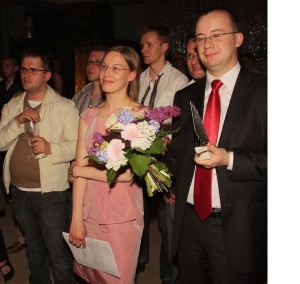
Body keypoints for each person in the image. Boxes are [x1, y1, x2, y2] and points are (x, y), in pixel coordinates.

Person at [165, 8, 267, 283]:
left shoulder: (265, 91)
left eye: (216, 35)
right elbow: (176, 156)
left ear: (238, 39)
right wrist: (144, 159)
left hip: (238, 225)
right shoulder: (185, 95)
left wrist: (229, 159)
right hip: (189, 223)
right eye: (200, 38)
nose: (207, 44)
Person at [0, 47, 79, 283]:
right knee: (34, 250)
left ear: (47, 75)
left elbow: (77, 146)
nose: (26, 74)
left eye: (33, 69)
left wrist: (50, 147)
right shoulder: (12, 106)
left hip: (51, 194)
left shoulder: (66, 107)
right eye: (24, 69)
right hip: (19, 192)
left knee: (58, 253)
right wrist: (17, 120)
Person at [69, 45, 144, 284]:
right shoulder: (88, 116)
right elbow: (79, 178)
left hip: (122, 215)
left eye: (115, 67)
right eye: (104, 66)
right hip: (89, 212)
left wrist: (80, 169)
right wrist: (76, 218)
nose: (106, 73)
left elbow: (127, 174)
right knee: (92, 278)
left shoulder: (141, 116)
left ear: (132, 74)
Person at [137, 25, 189, 283]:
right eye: (142, 45)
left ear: (164, 47)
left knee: (169, 227)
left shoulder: (178, 81)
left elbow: (179, 127)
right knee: (138, 218)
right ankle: (137, 263)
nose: (144, 49)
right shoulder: (138, 79)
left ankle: (171, 277)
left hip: (165, 159)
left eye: (149, 44)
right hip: (138, 158)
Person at [72, 46, 107, 115]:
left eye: (97, 63)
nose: (90, 66)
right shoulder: (80, 94)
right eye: (89, 62)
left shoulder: (112, 97)